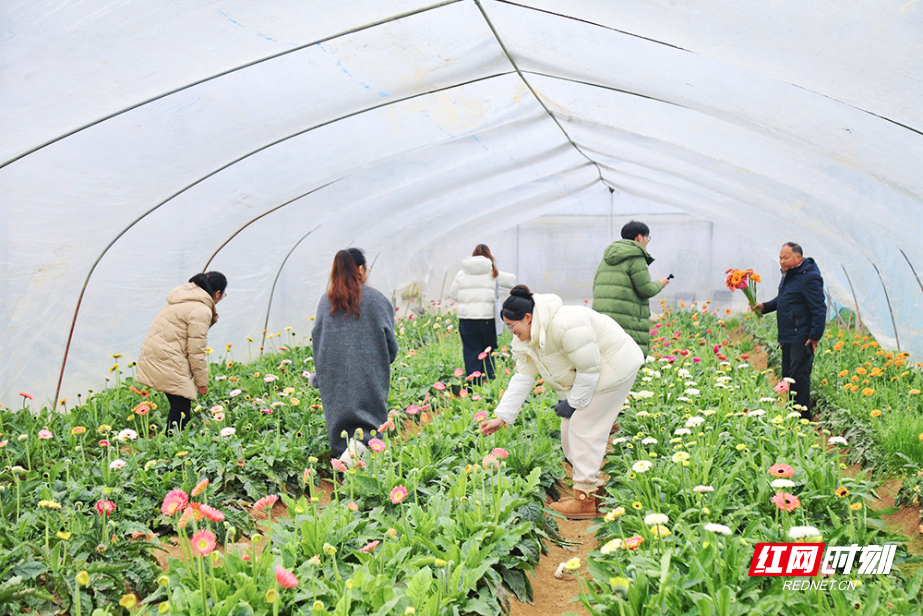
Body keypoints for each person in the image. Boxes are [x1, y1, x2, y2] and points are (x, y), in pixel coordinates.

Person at [480, 285, 644, 519]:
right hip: (591, 376)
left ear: (527, 318)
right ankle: (593, 491)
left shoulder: (565, 324)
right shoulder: (529, 338)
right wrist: (502, 417)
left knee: (582, 428)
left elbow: (589, 369)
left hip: (615, 368)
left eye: (511, 325)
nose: (510, 331)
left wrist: (573, 403)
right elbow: (523, 377)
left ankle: (585, 500)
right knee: (568, 431)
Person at [311, 248, 399, 459]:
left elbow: (317, 340)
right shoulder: (376, 300)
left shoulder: (326, 301)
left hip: (334, 375)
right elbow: (391, 345)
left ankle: (343, 459)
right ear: (361, 269)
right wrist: (379, 361)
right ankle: (367, 454)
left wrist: (322, 373)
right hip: (368, 372)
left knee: (339, 421)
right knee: (370, 419)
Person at [138, 271, 227, 433]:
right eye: (223, 296)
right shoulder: (201, 309)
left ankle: (174, 444)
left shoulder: (181, 299)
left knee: (180, 406)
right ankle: (171, 447)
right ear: (217, 293)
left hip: (158, 355)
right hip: (167, 359)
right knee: (180, 408)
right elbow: (196, 350)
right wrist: (202, 382)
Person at [754, 242, 826, 419]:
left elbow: (819, 309)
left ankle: (803, 418)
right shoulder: (790, 275)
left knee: (799, 378)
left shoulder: (810, 277)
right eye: (780, 258)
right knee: (789, 377)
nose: (781, 261)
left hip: (801, 337)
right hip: (787, 336)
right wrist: (764, 307)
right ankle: (793, 413)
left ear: (798, 257)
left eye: (785, 257)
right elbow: (783, 300)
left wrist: (815, 336)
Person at [592, 221, 670, 356]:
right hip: (626, 320)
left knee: (607, 359)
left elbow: (596, 285)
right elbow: (646, 290)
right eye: (647, 238)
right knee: (628, 361)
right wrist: (660, 283)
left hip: (603, 319)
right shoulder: (635, 257)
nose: (647, 242)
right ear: (640, 237)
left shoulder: (607, 258)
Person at [448, 244, 516, 381]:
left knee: (471, 351)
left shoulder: (462, 274)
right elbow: (512, 281)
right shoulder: (493, 272)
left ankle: (474, 383)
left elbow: (453, 294)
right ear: (488, 257)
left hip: (466, 319)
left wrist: (467, 299)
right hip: (487, 319)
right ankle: (488, 381)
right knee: (488, 350)